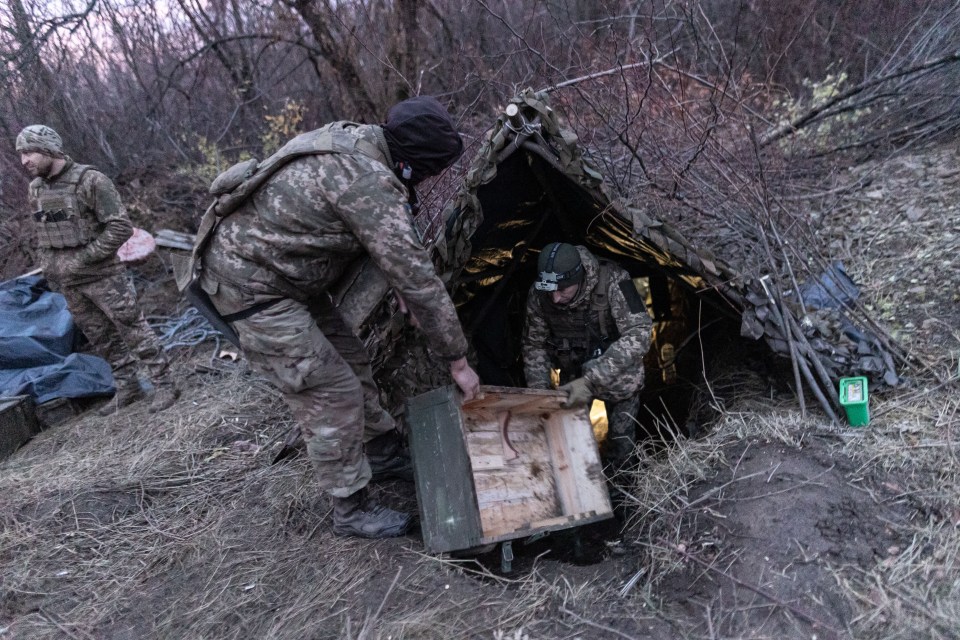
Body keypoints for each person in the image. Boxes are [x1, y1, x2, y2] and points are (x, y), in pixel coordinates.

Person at [192, 96, 480, 539]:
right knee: (331, 390)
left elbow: (389, 255)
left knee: (353, 363)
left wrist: (400, 279)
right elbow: (420, 280)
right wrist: (457, 362)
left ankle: (381, 454)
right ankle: (351, 508)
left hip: (288, 277)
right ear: (415, 161)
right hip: (250, 285)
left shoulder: (362, 140)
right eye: (431, 169)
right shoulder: (367, 181)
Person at [16, 125, 177, 416]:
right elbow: (44, 233)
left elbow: (120, 227)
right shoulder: (36, 189)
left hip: (104, 276)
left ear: (49, 148)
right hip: (70, 282)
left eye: (29, 152)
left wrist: (84, 259)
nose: (24, 160)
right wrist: (54, 270)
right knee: (100, 336)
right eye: (21, 154)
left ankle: (164, 383)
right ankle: (128, 386)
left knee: (133, 329)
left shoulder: (91, 181)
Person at [522, 242, 652, 468]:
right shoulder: (539, 295)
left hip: (618, 376)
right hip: (572, 375)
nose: (555, 298)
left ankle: (622, 489)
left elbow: (640, 333)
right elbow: (534, 345)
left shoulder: (615, 280)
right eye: (549, 290)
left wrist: (592, 380)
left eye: (563, 290)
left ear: (579, 279)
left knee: (621, 444)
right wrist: (540, 395)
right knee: (568, 444)